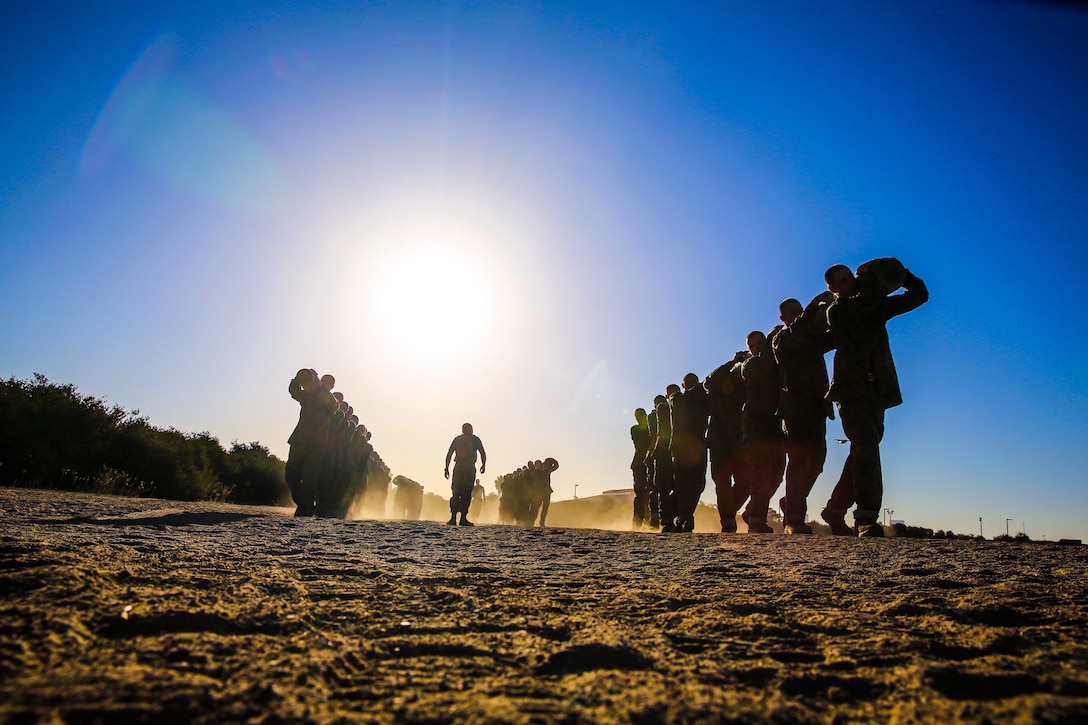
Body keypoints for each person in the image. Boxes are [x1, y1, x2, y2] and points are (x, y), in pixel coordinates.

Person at [820, 259, 929, 537]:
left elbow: (919, 296)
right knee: (866, 444)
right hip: (851, 391)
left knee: (862, 449)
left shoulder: (874, 307)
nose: (850, 283)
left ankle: (835, 508)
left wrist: (903, 275)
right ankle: (866, 517)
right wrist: (868, 279)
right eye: (843, 281)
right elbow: (866, 301)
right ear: (833, 289)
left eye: (850, 278)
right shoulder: (838, 310)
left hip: (877, 389)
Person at [772, 294, 835, 534]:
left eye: (800, 310)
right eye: (793, 312)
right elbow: (797, 331)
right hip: (794, 409)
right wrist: (811, 307)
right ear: (783, 318)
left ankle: (790, 503)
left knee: (817, 462)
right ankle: (794, 519)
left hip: (818, 406)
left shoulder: (812, 340)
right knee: (798, 461)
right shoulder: (781, 339)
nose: (799, 315)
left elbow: (836, 335)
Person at [739, 331, 785, 533]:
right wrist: (774, 337)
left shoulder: (773, 360)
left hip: (774, 424)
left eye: (761, 344)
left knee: (777, 474)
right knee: (761, 471)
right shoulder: (750, 364)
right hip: (755, 426)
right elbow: (765, 362)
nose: (757, 348)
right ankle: (757, 519)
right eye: (753, 345)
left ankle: (751, 512)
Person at [704, 358, 746, 533]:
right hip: (718, 446)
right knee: (722, 485)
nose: (727, 388)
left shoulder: (741, 395)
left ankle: (728, 510)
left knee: (746, 481)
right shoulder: (713, 397)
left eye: (730, 385)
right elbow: (709, 381)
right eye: (724, 385)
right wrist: (732, 362)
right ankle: (727, 521)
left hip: (739, 445)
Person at [669, 373, 709, 533]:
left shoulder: (703, 400)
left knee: (699, 485)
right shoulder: (677, 398)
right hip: (682, 448)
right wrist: (700, 387)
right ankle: (685, 517)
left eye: (694, 382)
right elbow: (678, 401)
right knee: (683, 484)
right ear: (683, 385)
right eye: (688, 382)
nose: (692, 384)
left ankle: (681, 516)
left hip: (698, 446)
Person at [444, 423, 487, 526]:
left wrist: (447, 468)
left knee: (459, 493)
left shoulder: (460, 439)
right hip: (467, 469)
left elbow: (449, 454)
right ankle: (459, 518)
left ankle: (456, 518)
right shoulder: (474, 439)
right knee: (463, 493)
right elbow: (482, 453)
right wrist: (483, 465)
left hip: (461, 468)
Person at [654, 385, 681, 532]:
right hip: (664, 451)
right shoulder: (663, 409)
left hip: (678, 450)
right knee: (664, 487)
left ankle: (674, 516)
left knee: (679, 487)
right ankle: (666, 520)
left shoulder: (682, 407)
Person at [630, 408, 652, 529]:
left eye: (642, 415)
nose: (640, 417)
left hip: (649, 462)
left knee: (651, 493)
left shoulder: (652, 427)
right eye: (637, 415)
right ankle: (637, 521)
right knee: (640, 493)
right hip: (639, 464)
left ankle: (650, 520)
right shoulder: (635, 429)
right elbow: (642, 442)